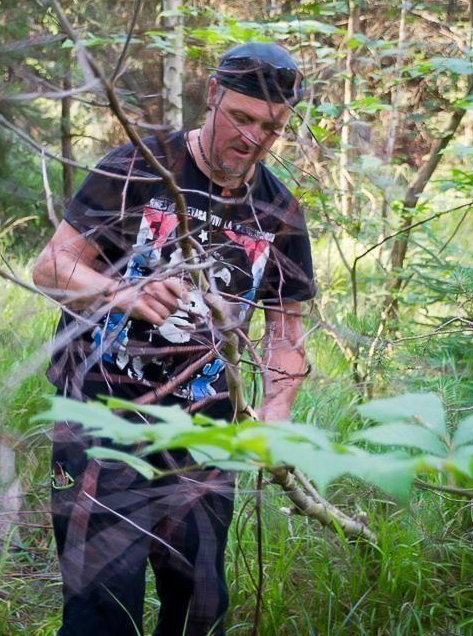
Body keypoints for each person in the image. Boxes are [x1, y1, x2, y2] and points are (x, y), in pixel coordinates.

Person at [32, 42, 317, 636]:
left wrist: (277, 410)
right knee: (104, 606)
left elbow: (286, 333)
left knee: (201, 605)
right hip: (102, 411)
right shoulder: (140, 167)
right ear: (212, 95)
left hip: (205, 428)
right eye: (241, 117)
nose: (253, 138)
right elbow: (52, 267)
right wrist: (123, 294)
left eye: (271, 128)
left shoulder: (279, 212)